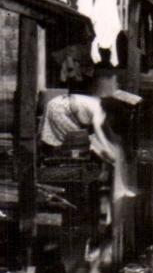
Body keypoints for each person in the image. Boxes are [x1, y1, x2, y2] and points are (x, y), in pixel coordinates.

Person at [41, 71, 134, 201]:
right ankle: (64, 166)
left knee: (85, 140)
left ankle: (65, 160)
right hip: (59, 109)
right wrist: (107, 149)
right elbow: (98, 132)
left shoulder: (97, 103)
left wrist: (109, 147)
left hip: (58, 104)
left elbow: (101, 132)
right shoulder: (99, 110)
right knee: (80, 140)